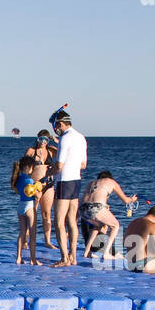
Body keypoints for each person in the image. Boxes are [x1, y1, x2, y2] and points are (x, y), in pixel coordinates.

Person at [50, 110, 87, 267]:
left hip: (64, 181)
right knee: (72, 220)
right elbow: (83, 165)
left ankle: (64, 258)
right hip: (76, 180)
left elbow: (59, 166)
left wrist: (45, 175)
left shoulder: (65, 138)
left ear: (60, 123)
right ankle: (73, 256)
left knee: (59, 221)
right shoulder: (81, 137)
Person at [79, 171, 137, 259]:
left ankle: (87, 252)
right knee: (115, 225)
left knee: (99, 225)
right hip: (95, 207)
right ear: (110, 178)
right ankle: (106, 253)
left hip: (82, 209)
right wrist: (132, 199)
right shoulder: (111, 182)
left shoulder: (92, 183)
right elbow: (126, 200)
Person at [27, 130, 58, 249]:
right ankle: (27, 239)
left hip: (48, 185)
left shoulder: (51, 150)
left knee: (46, 213)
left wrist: (56, 141)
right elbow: (24, 166)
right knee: (31, 213)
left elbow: (64, 152)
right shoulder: (31, 151)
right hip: (35, 185)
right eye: (41, 139)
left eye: (46, 139)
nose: (43, 142)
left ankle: (48, 241)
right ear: (37, 139)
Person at [10, 154, 41, 265]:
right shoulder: (29, 180)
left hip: (21, 206)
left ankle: (18, 257)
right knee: (32, 235)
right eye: (33, 167)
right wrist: (39, 192)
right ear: (28, 167)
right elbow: (36, 195)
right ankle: (33, 259)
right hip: (29, 206)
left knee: (22, 233)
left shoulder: (17, 179)